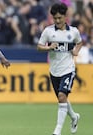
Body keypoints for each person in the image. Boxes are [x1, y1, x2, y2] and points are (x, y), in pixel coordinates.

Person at [37, 3, 82, 135]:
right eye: (55, 18)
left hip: (68, 69)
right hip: (54, 71)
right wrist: (48, 47)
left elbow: (79, 42)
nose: (57, 21)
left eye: (59, 18)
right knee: (62, 99)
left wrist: (76, 51)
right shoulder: (48, 31)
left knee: (62, 96)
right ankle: (74, 116)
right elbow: (39, 46)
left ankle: (57, 131)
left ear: (65, 17)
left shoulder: (73, 31)